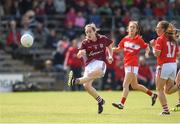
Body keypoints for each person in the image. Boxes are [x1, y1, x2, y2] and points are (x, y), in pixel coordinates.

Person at [67, 23, 113, 114]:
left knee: (96, 73)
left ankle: (75, 81)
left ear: (94, 31)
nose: (88, 34)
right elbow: (81, 52)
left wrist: (110, 56)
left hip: (100, 62)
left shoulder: (103, 38)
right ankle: (100, 101)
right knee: (86, 86)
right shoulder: (85, 42)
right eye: (86, 32)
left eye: (90, 32)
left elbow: (110, 47)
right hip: (89, 65)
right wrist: (80, 53)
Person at [112, 21, 158, 110]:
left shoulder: (138, 39)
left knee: (125, 84)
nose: (132, 29)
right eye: (131, 27)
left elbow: (147, 46)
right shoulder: (125, 39)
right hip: (127, 64)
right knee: (135, 85)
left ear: (137, 30)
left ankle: (121, 104)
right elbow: (118, 49)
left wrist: (147, 53)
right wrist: (110, 49)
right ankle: (153, 95)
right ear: (128, 28)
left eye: (134, 27)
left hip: (132, 64)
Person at [150, 21, 180, 115]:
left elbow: (157, 54)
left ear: (163, 29)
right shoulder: (173, 40)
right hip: (173, 65)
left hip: (164, 66)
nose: (156, 29)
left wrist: (153, 46)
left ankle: (165, 110)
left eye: (158, 27)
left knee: (159, 89)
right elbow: (178, 54)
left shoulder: (160, 39)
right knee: (168, 90)